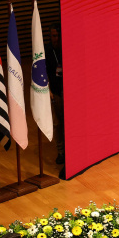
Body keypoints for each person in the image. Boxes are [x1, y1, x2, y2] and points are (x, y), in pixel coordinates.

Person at [44, 22, 64, 166]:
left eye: (57, 35)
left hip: (69, 92)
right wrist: (48, 90)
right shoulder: (47, 51)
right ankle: (61, 152)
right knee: (58, 123)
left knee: (69, 123)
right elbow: (43, 73)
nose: (55, 38)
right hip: (55, 92)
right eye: (53, 36)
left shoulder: (66, 48)